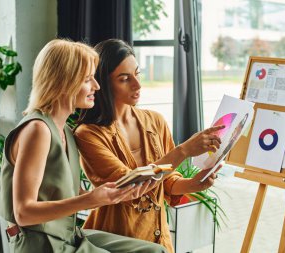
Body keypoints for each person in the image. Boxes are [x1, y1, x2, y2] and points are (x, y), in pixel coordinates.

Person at [0, 39, 168, 253]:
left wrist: (115, 194)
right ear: (63, 82)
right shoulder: (38, 131)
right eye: (88, 79)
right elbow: (23, 212)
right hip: (43, 244)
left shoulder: (66, 130)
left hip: (68, 236)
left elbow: (66, 195)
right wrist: (89, 199)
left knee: (155, 251)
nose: (96, 86)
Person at [74, 39, 224, 253]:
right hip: (116, 242)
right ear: (102, 84)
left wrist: (193, 184)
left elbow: (168, 181)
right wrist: (183, 150)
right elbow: (129, 187)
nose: (137, 85)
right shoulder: (89, 134)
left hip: (159, 242)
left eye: (137, 73)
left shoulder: (155, 121)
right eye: (124, 79)